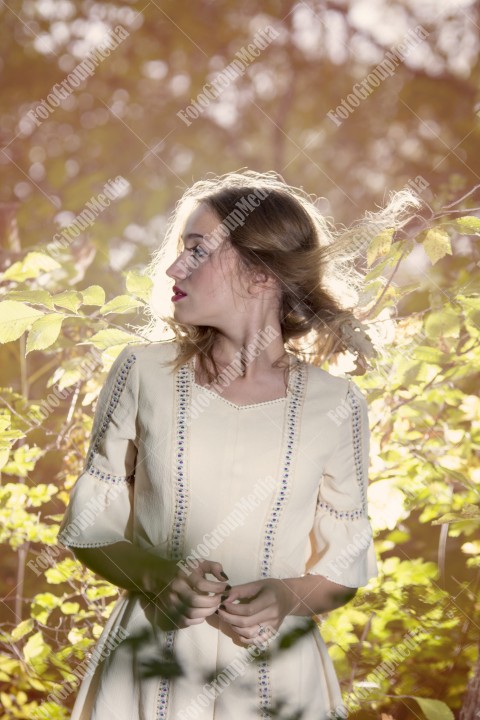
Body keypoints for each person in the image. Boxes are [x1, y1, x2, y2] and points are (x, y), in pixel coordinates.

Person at [58, 170, 418, 720]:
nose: (175, 268)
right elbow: (90, 530)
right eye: (181, 250)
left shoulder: (336, 404)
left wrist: (285, 595)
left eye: (197, 251)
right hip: (149, 664)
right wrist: (157, 578)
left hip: (278, 681)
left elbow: (344, 566)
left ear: (261, 275)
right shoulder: (140, 372)